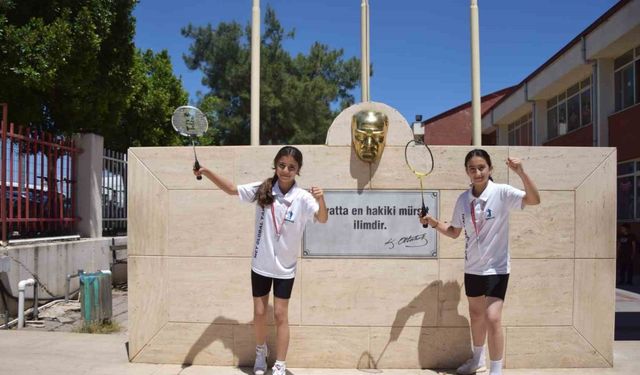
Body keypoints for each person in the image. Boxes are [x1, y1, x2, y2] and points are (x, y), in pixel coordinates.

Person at [194, 146, 328, 375]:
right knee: (259, 313)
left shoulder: (303, 198)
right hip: (261, 265)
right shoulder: (263, 189)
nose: (286, 170)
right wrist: (206, 172)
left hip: (285, 268)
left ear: (298, 170)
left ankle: (280, 364)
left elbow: (322, 218)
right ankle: (260, 351)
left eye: (292, 167)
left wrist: (321, 199)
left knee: (280, 315)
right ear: (275, 165)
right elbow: (230, 189)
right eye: (282, 165)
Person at [420, 149, 540, 375]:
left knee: (492, 318)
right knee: (476, 316)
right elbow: (455, 231)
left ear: (490, 169)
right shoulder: (463, 199)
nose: (477, 172)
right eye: (472, 169)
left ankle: (496, 371)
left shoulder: (502, 192)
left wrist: (521, 172)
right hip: (472, 268)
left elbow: (534, 199)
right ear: (467, 171)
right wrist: (433, 222)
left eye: (481, 168)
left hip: (497, 268)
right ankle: (478, 361)